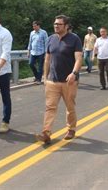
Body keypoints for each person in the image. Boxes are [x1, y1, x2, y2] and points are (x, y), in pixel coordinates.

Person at [35, 15, 83, 144]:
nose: (56, 26)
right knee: (50, 107)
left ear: (66, 26)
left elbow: (79, 58)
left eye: (59, 24)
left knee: (70, 107)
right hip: (52, 81)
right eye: (55, 24)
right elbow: (47, 59)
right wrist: (45, 77)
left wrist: (74, 73)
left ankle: (71, 129)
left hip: (69, 81)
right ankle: (46, 133)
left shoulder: (74, 39)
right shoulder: (51, 39)